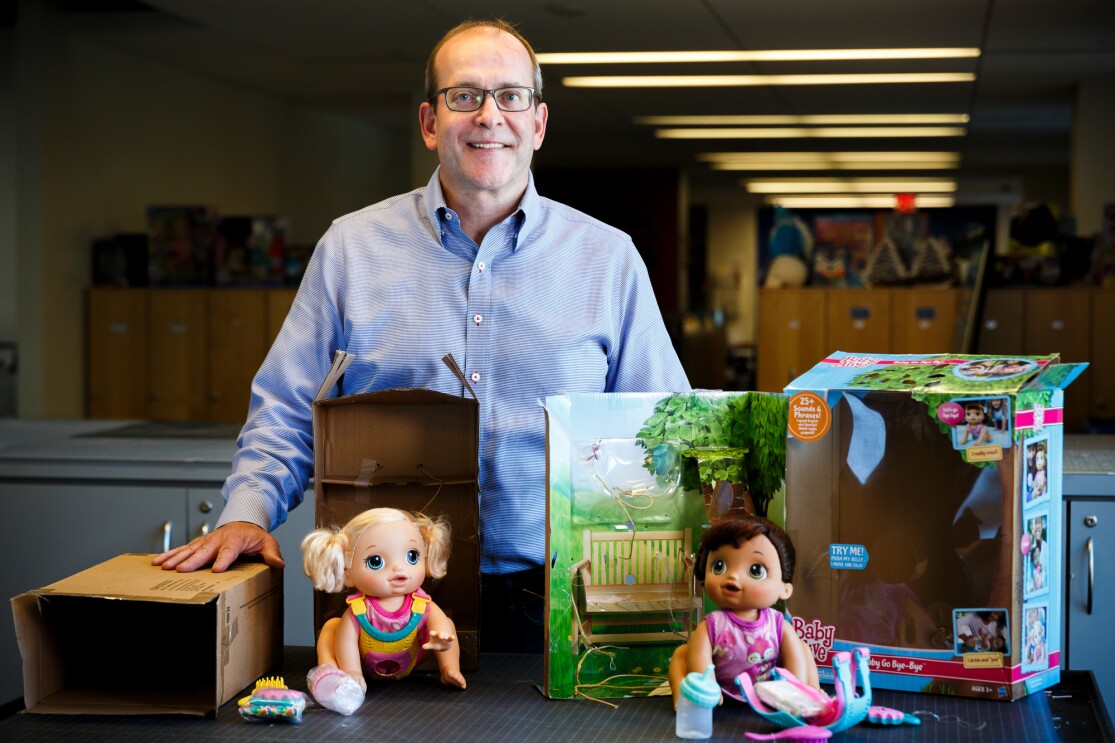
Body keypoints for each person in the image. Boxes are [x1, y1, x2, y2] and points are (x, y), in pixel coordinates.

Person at [152, 18, 690, 652]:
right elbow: (287, 409)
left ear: (538, 124)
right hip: (383, 601)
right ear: (431, 123)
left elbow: (666, 429)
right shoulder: (351, 249)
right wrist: (247, 515)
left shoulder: (608, 259)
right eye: (464, 96)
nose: (489, 115)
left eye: (511, 96)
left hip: (558, 605)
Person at [301, 508, 464, 714]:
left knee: (448, 624)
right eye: (375, 562)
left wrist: (442, 637)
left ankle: (449, 669)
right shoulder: (358, 610)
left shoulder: (421, 603)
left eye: (412, 556)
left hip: (412, 657)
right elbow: (347, 641)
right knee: (331, 628)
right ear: (347, 572)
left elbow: (438, 620)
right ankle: (331, 673)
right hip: (361, 662)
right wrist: (352, 671)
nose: (399, 569)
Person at [668, 517, 819, 707]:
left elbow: (795, 661)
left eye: (756, 570)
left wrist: (793, 689)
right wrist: (707, 687)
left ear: (784, 589)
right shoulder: (712, 625)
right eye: (719, 566)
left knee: (802, 647)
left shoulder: (778, 624)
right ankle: (685, 697)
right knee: (682, 654)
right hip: (721, 689)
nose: (733, 575)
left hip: (770, 691)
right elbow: (700, 660)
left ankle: (810, 690)